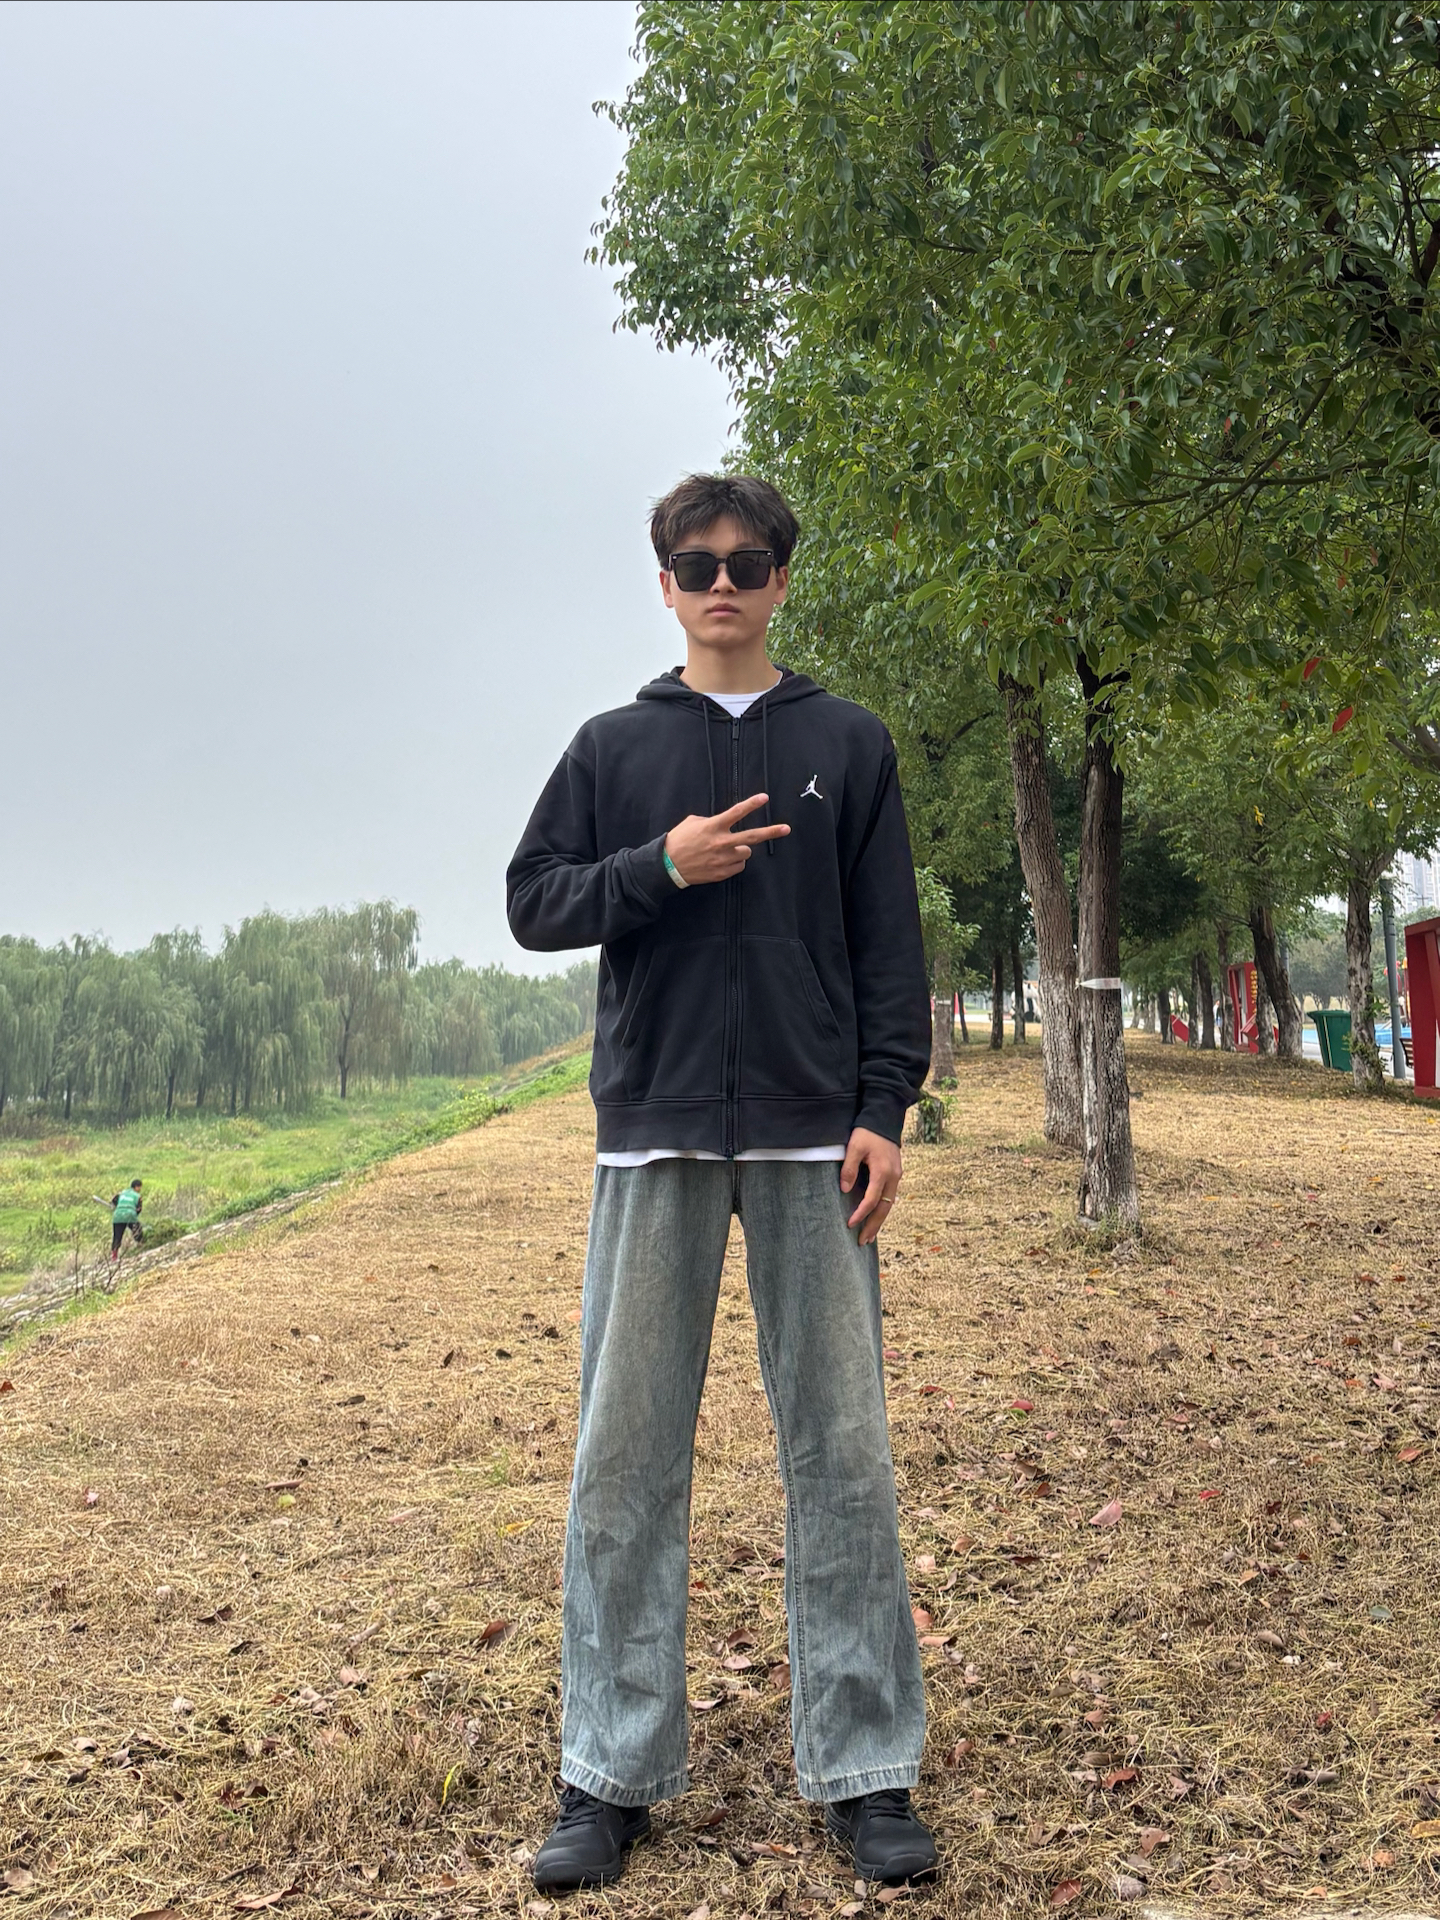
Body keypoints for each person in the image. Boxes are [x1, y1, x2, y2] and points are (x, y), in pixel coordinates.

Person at [506, 473, 937, 1892]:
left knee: (843, 1455)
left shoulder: (848, 742)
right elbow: (533, 902)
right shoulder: (612, 746)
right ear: (667, 584)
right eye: (698, 565)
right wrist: (659, 867)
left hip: (818, 1137)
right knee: (624, 1460)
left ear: (782, 579)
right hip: (657, 1130)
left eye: (749, 561)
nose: (724, 583)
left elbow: (888, 943)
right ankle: (607, 1773)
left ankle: (866, 1769)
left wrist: (885, 1106)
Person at [109, 1179, 144, 1262]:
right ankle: (141, 1247)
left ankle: (114, 1256)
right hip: (130, 1215)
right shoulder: (138, 1196)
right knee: (137, 1231)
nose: (140, 1189)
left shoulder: (121, 1193)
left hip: (118, 1216)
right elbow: (139, 1209)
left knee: (117, 1236)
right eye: (139, 1187)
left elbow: (113, 1202)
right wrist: (134, 1215)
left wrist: (117, 1207)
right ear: (136, 1187)